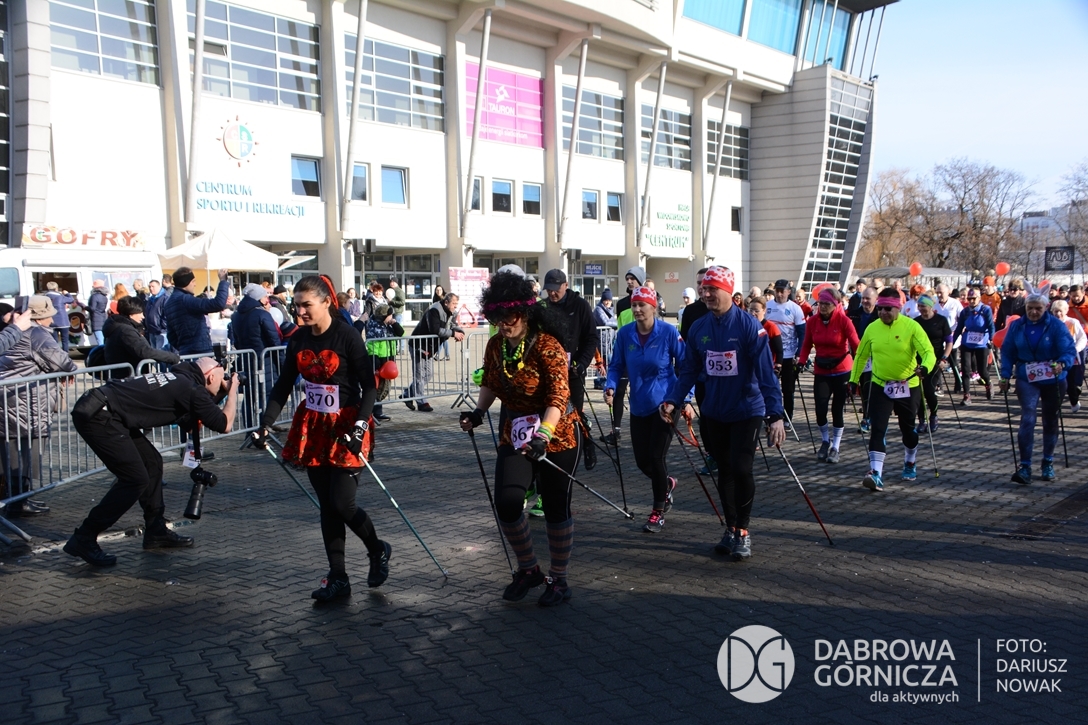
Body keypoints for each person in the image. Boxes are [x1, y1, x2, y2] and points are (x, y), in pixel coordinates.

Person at [254, 275, 388, 601]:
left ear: (327, 302)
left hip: (347, 425)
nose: (300, 312)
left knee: (343, 503)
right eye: (296, 306)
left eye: (306, 305)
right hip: (314, 427)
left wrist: (360, 426)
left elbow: (369, 387)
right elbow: (284, 384)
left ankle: (377, 549)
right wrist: (265, 424)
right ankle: (338, 577)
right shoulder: (299, 338)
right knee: (327, 506)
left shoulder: (346, 335)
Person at [458, 271, 579, 606]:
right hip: (516, 432)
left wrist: (544, 435)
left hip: (557, 434)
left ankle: (559, 579)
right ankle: (529, 569)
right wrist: (478, 413)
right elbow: (491, 382)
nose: (503, 324)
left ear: (524, 313)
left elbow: (558, 397)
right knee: (509, 502)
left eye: (509, 317)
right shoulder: (496, 345)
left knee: (555, 507)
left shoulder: (547, 345)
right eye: (497, 317)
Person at [61, 358, 240, 566]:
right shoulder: (191, 388)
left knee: (152, 462)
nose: (223, 382)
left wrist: (221, 393)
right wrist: (233, 390)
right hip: (98, 415)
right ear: (210, 377)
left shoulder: (181, 379)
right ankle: (84, 537)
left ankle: (156, 530)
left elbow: (193, 425)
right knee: (134, 480)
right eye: (222, 378)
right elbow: (225, 424)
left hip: (108, 411)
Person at [661, 266, 785, 560]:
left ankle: (743, 531)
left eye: (712, 289)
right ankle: (730, 528)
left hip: (747, 410)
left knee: (741, 468)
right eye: (703, 289)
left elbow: (766, 373)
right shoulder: (698, 328)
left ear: (728, 291)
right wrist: (673, 399)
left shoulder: (748, 326)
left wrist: (775, 414)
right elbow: (689, 370)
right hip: (714, 411)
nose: (705, 294)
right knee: (725, 470)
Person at [604, 286, 686, 532]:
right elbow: (616, 365)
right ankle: (666, 484)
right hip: (639, 405)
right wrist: (610, 386)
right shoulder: (625, 333)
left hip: (665, 405)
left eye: (642, 305)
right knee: (642, 462)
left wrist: (685, 399)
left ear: (653, 307)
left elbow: (686, 365)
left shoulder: (668, 332)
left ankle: (657, 512)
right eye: (634, 305)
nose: (637, 309)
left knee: (656, 457)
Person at [848, 288, 936, 491]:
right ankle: (876, 473)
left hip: (908, 385)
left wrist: (925, 367)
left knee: (908, 430)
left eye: (887, 309)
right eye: (880, 309)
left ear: (898, 308)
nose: (883, 313)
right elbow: (861, 356)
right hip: (880, 384)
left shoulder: (911, 326)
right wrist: (853, 380)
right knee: (878, 428)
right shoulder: (872, 328)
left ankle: (910, 461)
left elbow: (928, 352)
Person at [0, 297, 78, 519]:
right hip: (26, 402)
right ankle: (18, 502)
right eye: (49, 315)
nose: (52, 320)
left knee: (11, 452)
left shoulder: (11, 333)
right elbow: (62, 361)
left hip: (10, 400)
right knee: (26, 452)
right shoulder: (35, 334)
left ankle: (17, 498)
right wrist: (70, 370)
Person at [999, 292, 1077, 484]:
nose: (1033, 312)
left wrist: (1063, 363)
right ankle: (1025, 466)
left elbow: (1069, 350)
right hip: (1027, 376)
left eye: (1038, 309)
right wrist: (1005, 374)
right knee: (1028, 417)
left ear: (1046, 308)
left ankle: (1047, 462)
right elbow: (1007, 351)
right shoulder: (1017, 325)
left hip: (1053, 377)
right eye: (1030, 308)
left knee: (1050, 419)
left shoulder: (1056, 326)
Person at [542, 269, 599, 471]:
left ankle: (586, 443)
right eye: (549, 290)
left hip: (572, 371)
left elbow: (591, 338)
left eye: (556, 289)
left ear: (565, 286)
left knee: (575, 414)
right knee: (551, 413)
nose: (552, 293)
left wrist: (581, 363)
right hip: (549, 372)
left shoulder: (580, 306)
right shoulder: (544, 307)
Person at [797, 288, 859, 464]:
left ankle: (836, 447)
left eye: (826, 304)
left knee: (837, 409)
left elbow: (856, 344)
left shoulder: (844, 321)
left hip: (842, 370)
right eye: (820, 303)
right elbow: (806, 344)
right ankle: (825, 441)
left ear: (835, 305)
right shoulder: (812, 322)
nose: (822, 307)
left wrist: (860, 369)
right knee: (820, 409)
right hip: (822, 370)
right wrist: (801, 361)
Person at [404, 293, 463, 412]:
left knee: (429, 374)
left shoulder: (451, 312)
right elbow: (435, 330)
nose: (455, 306)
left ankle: (408, 394)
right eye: (453, 304)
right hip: (419, 344)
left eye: (456, 304)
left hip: (430, 347)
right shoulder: (434, 310)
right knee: (419, 375)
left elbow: (453, 325)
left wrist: (460, 332)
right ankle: (421, 402)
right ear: (446, 302)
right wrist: (453, 334)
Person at [765, 279, 807, 431]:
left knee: (788, 390)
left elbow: (802, 334)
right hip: (770, 356)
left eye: (782, 291)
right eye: (777, 290)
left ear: (789, 292)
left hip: (788, 355)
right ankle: (770, 416)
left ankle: (788, 417)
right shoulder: (768, 306)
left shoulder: (795, 308)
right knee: (769, 387)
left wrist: (799, 353)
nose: (779, 294)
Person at [103, 296, 181, 376]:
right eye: (140, 313)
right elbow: (144, 351)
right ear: (131, 314)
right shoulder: (125, 331)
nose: (143, 316)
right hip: (127, 377)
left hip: (126, 375)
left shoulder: (120, 327)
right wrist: (172, 357)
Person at [164, 267, 230, 355]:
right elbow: (218, 304)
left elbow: (171, 335)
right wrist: (223, 281)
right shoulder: (186, 299)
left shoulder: (169, 303)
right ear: (186, 283)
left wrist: (184, 347)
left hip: (185, 352)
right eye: (193, 281)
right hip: (200, 350)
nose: (195, 284)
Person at [913, 295, 953, 433]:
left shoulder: (941, 320)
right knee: (918, 392)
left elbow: (949, 341)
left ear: (930, 306)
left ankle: (934, 416)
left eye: (923, 306)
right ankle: (921, 420)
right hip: (919, 362)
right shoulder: (916, 322)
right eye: (919, 306)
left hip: (935, 361)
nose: (921, 309)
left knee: (929, 390)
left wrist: (944, 358)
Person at [953, 289, 996, 404]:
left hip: (982, 343)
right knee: (965, 370)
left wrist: (992, 338)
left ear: (979, 298)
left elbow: (991, 326)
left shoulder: (986, 310)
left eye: (974, 299)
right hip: (967, 342)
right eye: (969, 299)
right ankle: (966, 395)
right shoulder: (965, 312)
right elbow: (959, 328)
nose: (971, 301)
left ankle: (988, 384)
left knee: (982, 371)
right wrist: (951, 342)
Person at [848, 287, 879, 432]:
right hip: (859, 356)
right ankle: (868, 416)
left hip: (876, 357)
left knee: (872, 388)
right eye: (863, 298)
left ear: (876, 300)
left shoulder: (880, 314)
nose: (865, 301)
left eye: (868, 299)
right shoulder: (854, 314)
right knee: (864, 388)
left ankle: (870, 417)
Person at [366, 304, 403, 423]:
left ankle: (377, 411)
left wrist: (395, 323)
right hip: (380, 360)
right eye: (390, 315)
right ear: (384, 316)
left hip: (389, 359)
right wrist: (375, 360)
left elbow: (401, 333)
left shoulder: (388, 326)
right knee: (378, 387)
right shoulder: (375, 327)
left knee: (385, 387)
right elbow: (372, 346)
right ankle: (373, 412)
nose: (392, 317)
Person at [1050, 299, 1086, 412]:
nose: (1058, 313)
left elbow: (1082, 338)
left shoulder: (1073, 322)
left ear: (1066, 311)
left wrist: (1076, 349)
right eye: (1056, 311)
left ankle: (1074, 401)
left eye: (1060, 311)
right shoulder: (1050, 324)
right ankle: (1056, 406)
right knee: (1057, 383)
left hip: (1071, 358)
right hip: (1055, 358)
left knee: (1070, 383)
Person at [747, 297, 783, 371]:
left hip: (766, 366)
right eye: (751, 310)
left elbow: (779, 350)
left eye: (756, 311)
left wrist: (777, 367)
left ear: (764, 311)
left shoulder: (771, 327)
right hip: (749, 366)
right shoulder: (745, 326)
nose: (753, 313)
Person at [42, 281, 77, 353]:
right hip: (63, 321)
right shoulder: (60, 297)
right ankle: (65, 355)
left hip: (51, 322)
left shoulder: (44, 297)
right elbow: (71, 300)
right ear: (56, 288)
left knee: (54, 341)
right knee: (65, 341)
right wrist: (67, 293)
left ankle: (55, 355)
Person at [144, 280, 169, 350]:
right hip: (151, 331)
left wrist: (162, 326)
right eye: (149, 287)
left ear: (159, 286)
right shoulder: (150, 299)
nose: (151, 288)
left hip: (161, 332)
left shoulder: (165, 298)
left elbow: (167, 315)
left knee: (161, 353)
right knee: (154, 353)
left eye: (153, 286)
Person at [88, 279, 109, 345]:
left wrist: (84, 307)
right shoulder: (104, 296)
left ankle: (102, 351)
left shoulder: (94, 296)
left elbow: (92, 308)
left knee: (100, 341)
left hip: (96, 319)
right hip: (103, 318)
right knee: (103, 340)